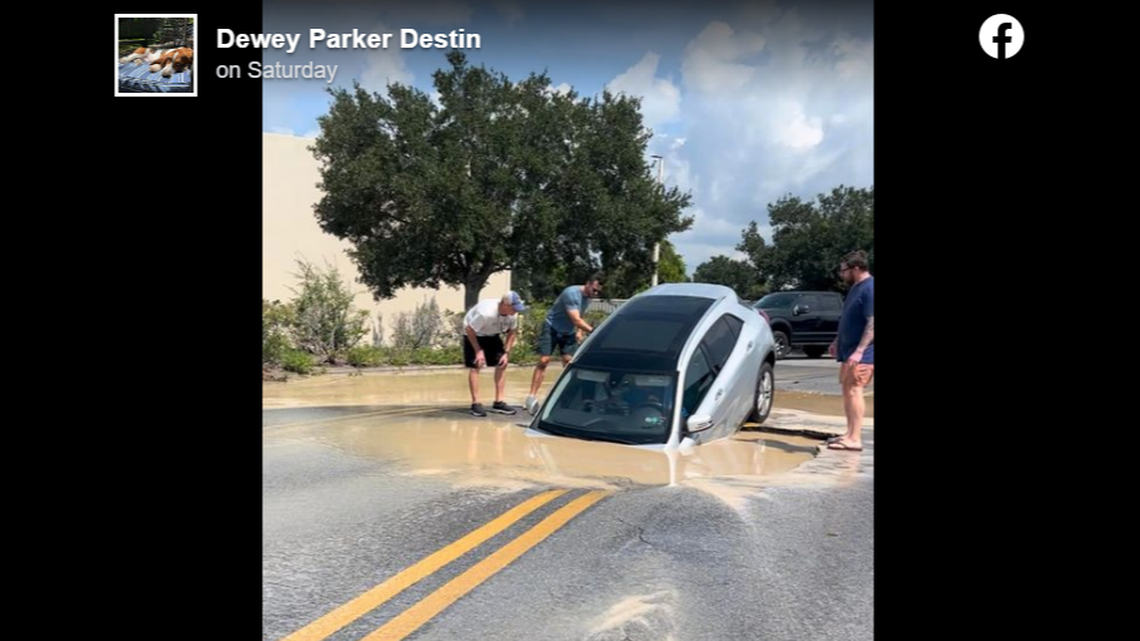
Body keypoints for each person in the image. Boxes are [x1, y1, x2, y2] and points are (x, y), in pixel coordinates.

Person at [524, 273, 604, 414]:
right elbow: (575, 319)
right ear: (588, 283)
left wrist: (579, 331)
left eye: (598, 292)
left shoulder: (588, 298)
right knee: (544, 360)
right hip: (552, 328)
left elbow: (580, 315)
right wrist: (594, 331)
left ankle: (565, 398)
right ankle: (531, 396)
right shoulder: (571, 293)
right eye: (594, 290)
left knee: (569, 363)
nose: (595, 294)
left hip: (569, 331)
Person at [827, 250, 874, 451]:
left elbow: (872, 323)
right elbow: (849, 318)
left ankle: (855, 438)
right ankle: (849, 433)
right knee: (847, 391)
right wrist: (837, 340)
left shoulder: (870, 289)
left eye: (843, 270)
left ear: (855, 268)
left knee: (855, 390)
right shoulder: (856, 288)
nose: (841, 274)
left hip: (862, 353)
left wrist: (860, 350)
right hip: (848, 350)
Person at [463, 291, 527, 417]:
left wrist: (506, 353)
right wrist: (478, 351)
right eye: (514, 307)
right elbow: (469, 329)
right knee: (477, 365)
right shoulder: (485, 313)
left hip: (492, 334)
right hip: (474, 333)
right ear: (505, 305)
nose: (516, 310)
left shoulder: (512, 315)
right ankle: (475, 403)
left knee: (502, 363)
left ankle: (499, 402)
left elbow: (512, 332)